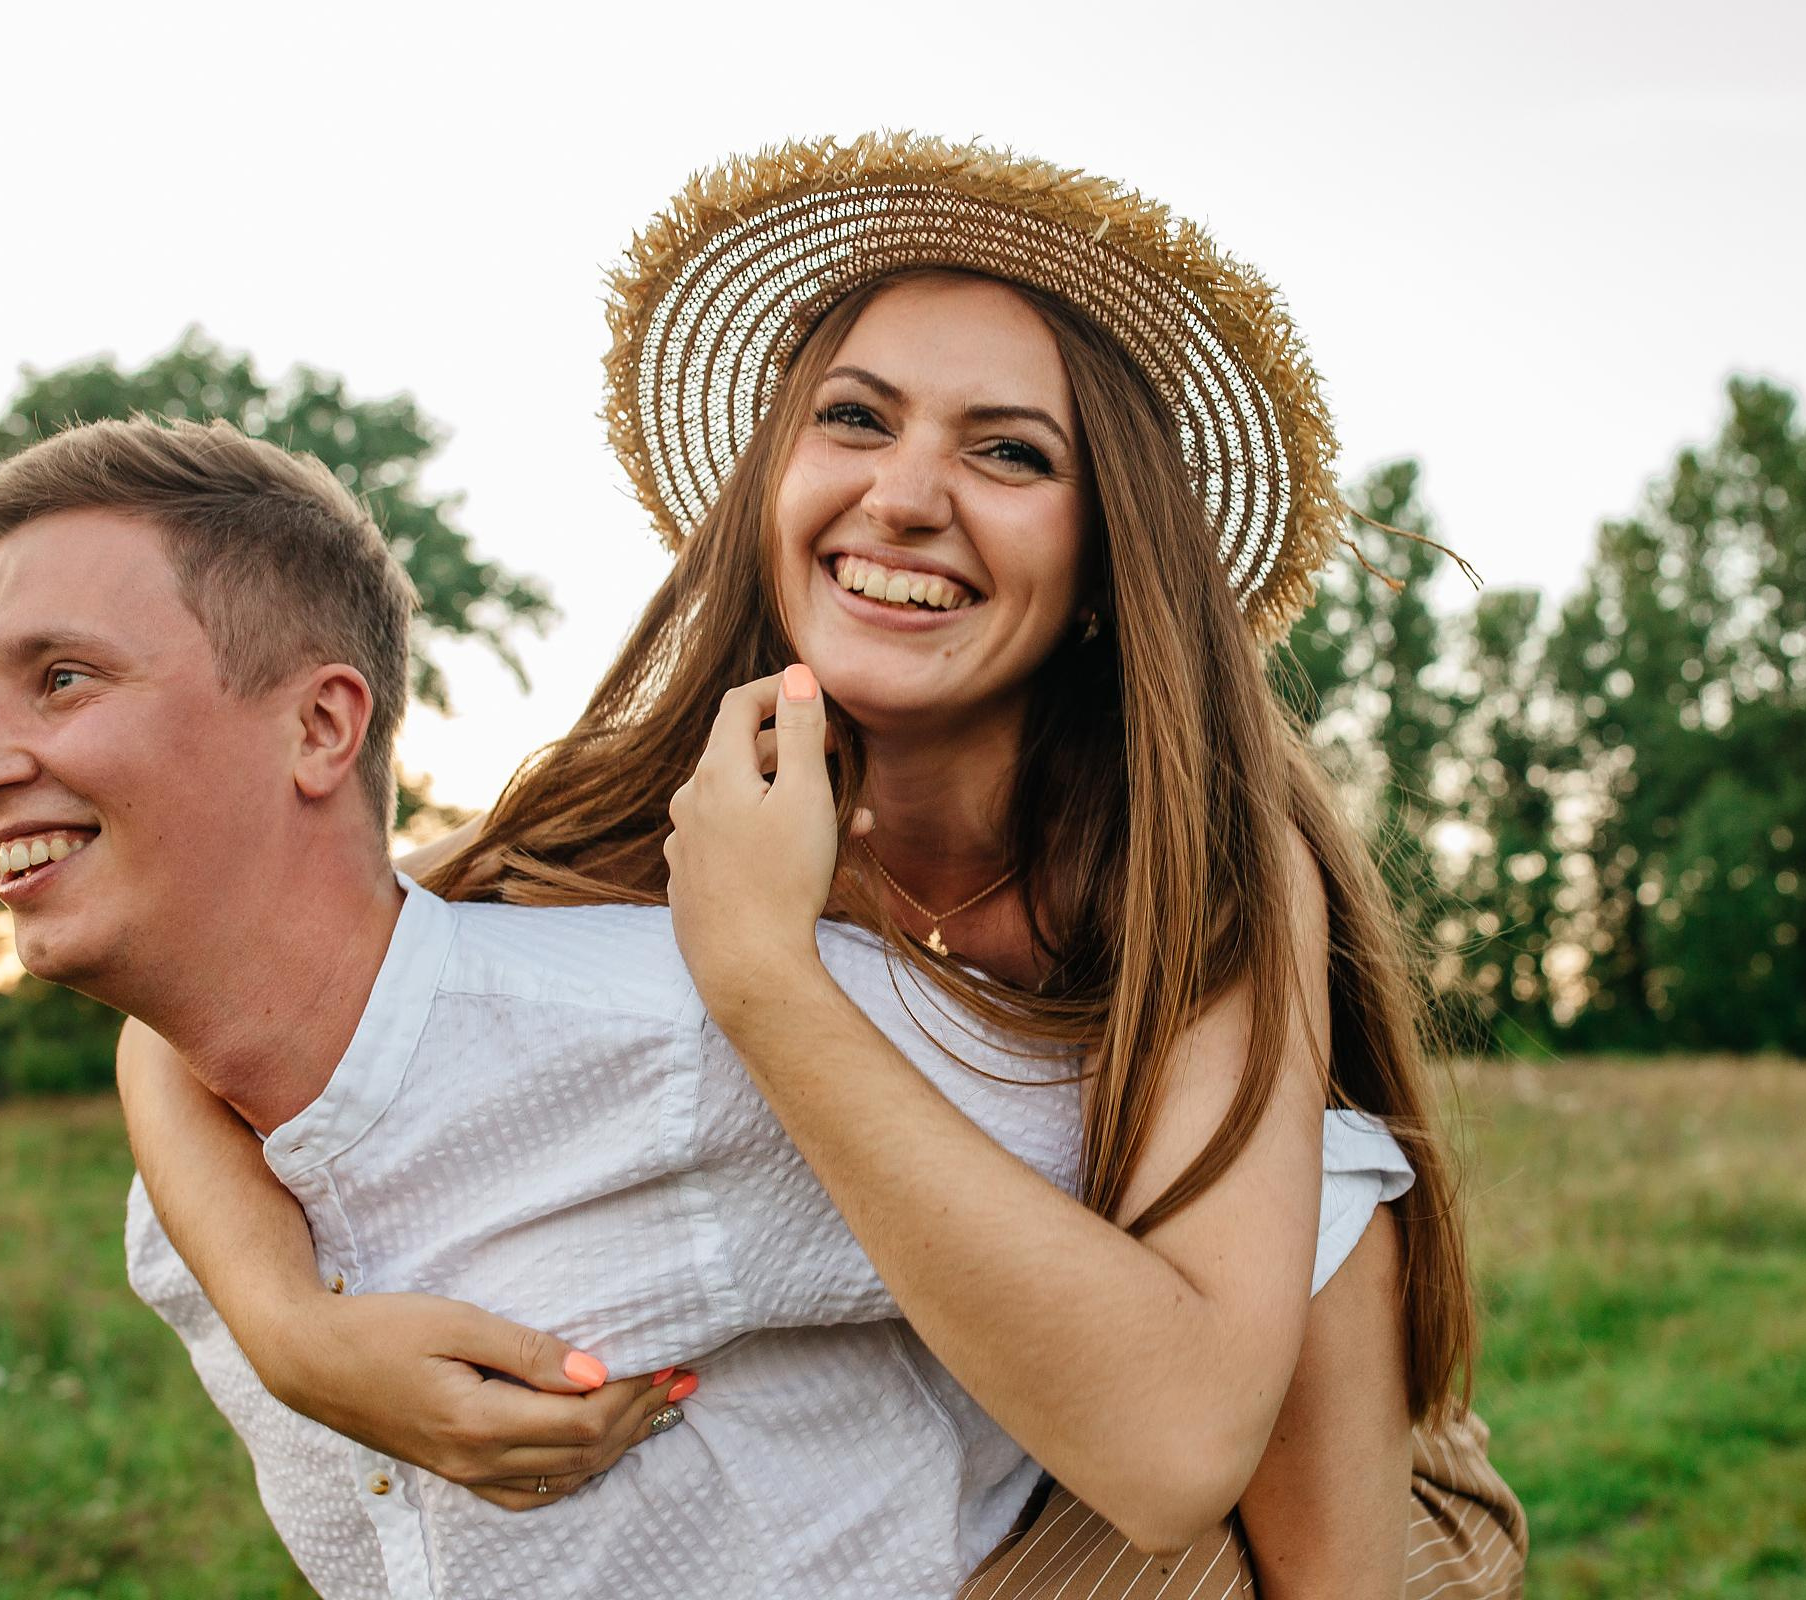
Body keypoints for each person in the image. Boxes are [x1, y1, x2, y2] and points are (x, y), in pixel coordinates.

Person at [118, 132, 1528, 1596]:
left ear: (1113, 558)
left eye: (1009, 451)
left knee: (1318, 1208)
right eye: (856, 419)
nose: (908, 495)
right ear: (775, 485)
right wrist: (292, 1329)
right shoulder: (659, 806)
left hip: (1290, 1499)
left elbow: (1177, 1453)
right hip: (978, 1466)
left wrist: (757, 975)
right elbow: (221, 998)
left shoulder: (1196, 864)